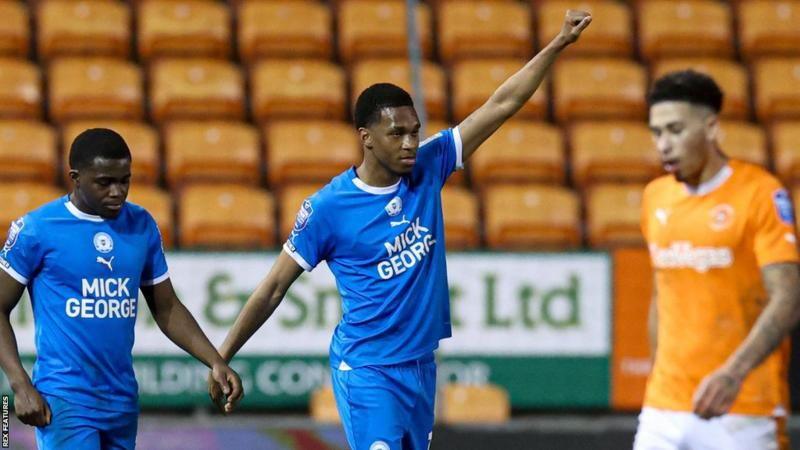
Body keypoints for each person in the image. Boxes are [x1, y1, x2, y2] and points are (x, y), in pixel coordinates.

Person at [208, 9, 592, 450]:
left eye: (414, 132)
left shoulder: (431, 164)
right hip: (367, 369)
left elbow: (502, 104)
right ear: (366, 137)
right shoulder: (327, 208)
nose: (410, 143)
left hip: (420, 366)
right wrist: (222, 357)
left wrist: (559, 42)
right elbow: (273, 287)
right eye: (397, 134)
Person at [0, 128, 243, 450]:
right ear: (76, 177)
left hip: (121, 398)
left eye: (124, 180)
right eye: (104, 182)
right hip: (64, 397)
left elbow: (166, 307)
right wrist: (19, 385)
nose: (117, 192)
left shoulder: (142, 225)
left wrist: (216, 361)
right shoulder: (37, 230)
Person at [634, 70, 800, 450]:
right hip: (664, 406)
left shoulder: (760, 194)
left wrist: (732, 373)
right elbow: (663, 294)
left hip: (743, 407)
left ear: (710, 127)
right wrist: (657, 376)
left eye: (675, 130)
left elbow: (788, 296)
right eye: (657, 133)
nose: (664, 145)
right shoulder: (655, 197)